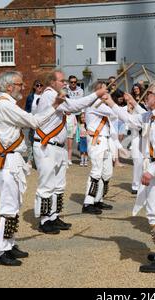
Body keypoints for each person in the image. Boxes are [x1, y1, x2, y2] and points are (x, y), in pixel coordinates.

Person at [0, 71, 66, 266]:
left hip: (10, 158)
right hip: (6, 159)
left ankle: (9, 244)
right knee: (8, 206)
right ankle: (0, 251)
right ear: (9, 87)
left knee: (14, 204)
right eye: (20, 84)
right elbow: (33, 121)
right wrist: (55, 106)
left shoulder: (6, 104)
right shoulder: (5, 105)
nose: (23, 87)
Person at [105, 80, 155, 273]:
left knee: (154, 211)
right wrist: (112, 103)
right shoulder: (152, 115)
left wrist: (151, 170)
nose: (147, 96)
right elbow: (131, 120)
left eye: (149, 93)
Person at [33, 70, 107, 234]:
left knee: (59, 185)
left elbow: (74, 105)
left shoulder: (57, 96)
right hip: (47, 145)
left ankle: (54, 216)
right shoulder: (49, 95)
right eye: (62, 80)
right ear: (52, 82)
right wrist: (97, 93)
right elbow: (75, 106)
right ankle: (44, 220)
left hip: (57, 147)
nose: (65, 83)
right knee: (46, 184)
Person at [83, 81, 118, 215]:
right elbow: (113, 112)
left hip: (106, 140)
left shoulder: (101, 104)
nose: (107, 93)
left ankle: (98, 199)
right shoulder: (94, 103)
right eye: (105, 90)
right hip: (97, 140)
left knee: (106, 173)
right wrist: (108, 101)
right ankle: (88, 202)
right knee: (96, 171)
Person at [24, 80, 43, 167]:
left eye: (41, 85)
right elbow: (27, 110)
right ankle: (30, 160)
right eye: (37, 85)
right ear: (34, 87)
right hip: (31, 121)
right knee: (30, 141)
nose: (39, 87)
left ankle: (40, 160)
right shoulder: (30, 97)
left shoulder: (45, 96)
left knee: (40, 142)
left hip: (42, 122)